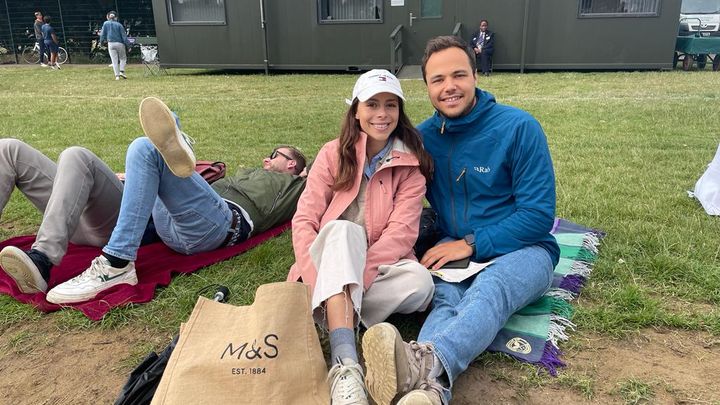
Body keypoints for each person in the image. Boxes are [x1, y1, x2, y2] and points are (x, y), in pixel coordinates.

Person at [361, 36, 559, 405]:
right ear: (427, 87)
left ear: (475, 76)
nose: (449, 87)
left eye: (458, 75)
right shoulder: (420, 140)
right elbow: (375, 177)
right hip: (452, 253)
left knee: (490, 289)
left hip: (525, 249)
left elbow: (537, 216)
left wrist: (469, 243)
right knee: (446, 302)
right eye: (438, 80)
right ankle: (430, 392)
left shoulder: (519, 128)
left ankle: (424, 362)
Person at [0, 97, 307, 304]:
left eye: (275, 155)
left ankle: (117, 263)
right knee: (27, 151)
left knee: (145, 147)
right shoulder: (245, 174)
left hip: (224, 223)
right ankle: (42, 258)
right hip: (171, 217)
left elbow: (337, 176)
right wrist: (133, 178)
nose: (266, 159)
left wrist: (312, 175)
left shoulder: (297, 185)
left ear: (293, 164)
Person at [288, 69, 435, 405]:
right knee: (343, 230)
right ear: (356, 110)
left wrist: (357, 275)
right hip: (327, 256)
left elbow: (402, 234)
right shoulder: (332, 153)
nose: (382, 114)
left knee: (421, 284)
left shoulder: (411, 164)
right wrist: (314, 274)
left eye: (390, 105)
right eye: (372, 104)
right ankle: (346, 364)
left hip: (377, 266)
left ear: (400, 111)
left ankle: (332, 309)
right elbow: (304, 219)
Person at [99, 11, 130, 80]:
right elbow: (124, 37)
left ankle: (117, 76)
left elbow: (102, 34)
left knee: (114, 60)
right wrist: (128, 46)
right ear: (116, 17)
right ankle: (121, 71)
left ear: (108, 17)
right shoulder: (119, 25)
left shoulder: (105, 23)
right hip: (120, 43)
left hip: (110, 43)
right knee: (123, 58)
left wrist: (101, 42)